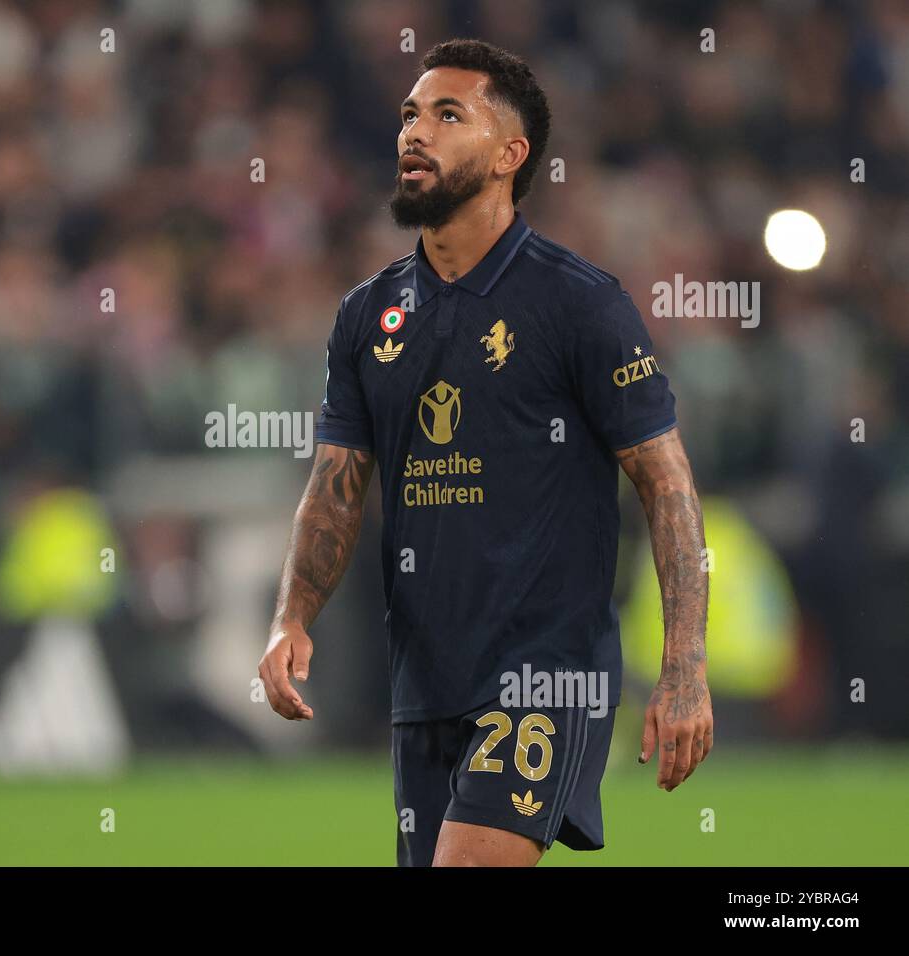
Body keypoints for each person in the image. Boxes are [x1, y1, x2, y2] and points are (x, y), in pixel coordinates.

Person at [259, 38, 712, 867]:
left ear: (511, 154)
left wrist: (684, 665)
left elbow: (667, 482)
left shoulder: (579, 303)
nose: (413, 132)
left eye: (446, 114)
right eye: (408, 114)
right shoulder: (367, 317)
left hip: (546, 675)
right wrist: (292, 616)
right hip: (425, 677)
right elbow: (335, 486)